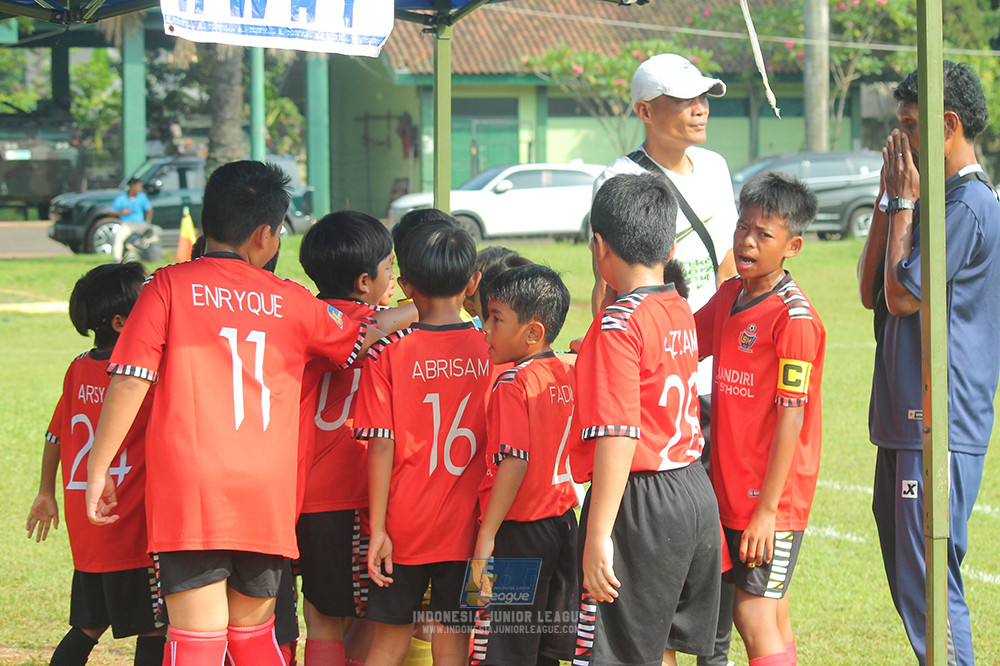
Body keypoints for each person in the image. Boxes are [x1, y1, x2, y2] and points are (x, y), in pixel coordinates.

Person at [84, 160, 382, 665]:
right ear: (266, 235)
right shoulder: (292, 300)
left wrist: (98, 468)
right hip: (266, 493)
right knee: (253, 635)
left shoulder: (168, 286)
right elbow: (356, 337)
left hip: (192, 493)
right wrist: (421, 308)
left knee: (198, 638)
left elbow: (130, 376)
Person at [592, 53, 739, 665]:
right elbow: (606, 282)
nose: (699, 107)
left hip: (708, 370)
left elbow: (729, 267)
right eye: (683, 99)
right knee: (650, 564)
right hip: (652, 372)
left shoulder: (717, 166)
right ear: (645, 111)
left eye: (704, 95)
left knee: (713, 551)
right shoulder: (616, 178)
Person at [857, 61, 1000, 666]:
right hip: (902, 420)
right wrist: (892, 200)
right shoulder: (926, 202)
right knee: (911, 577)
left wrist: (907, 203)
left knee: (930, 587)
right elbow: (870, 289)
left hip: (937, 419)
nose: (899, 139)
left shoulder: (966, 206)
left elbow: (901, 295)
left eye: (910, 126)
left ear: (948, 124)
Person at [571, 172, 721, 666]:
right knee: (657, 648)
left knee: (624, 652)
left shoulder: (615, 324)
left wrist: (597, 534)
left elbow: (617, 434)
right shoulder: (677, 306)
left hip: (641, 501)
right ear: (671, 248)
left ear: (600, 247)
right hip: (694, 492)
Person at [694, 172, 824, 666]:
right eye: (742, 228)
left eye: (763, 234)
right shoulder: (730, 295)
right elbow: (685, 343)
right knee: (772, 611)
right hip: (729, 488)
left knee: (752, 614)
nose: (747, 241)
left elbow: (792, 416)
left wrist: (768, 512)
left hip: (771, 500)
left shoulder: (794, 319)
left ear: (793, 245)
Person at [352, 214, 491, 666]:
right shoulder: (494, 354)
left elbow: (381, 445)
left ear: (406, 285)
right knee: (453, 641)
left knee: (388, 642)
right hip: (471, 530)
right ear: (473, 282)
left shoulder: (388, 353)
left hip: (403, 526)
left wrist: (376, 530)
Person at [26, 262, 166, 666]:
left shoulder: (77, 367)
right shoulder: (141, 374)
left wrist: (45, 491)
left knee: (88, 625)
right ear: (123, 322)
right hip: (126, 523)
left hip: (87, 525)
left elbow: (55, 434)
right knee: (154, 627)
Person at [297, 210, 418, 666]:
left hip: (306, 494)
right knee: (377, 615)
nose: (395, 278)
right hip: (360, 496)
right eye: (390, 268)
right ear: (365, 280)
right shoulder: (393, 334)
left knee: (321, 615)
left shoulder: (304, 322)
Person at [471, 264, 579, 666]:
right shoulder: (566, 372)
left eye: (496, 319)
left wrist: (486, 537)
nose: (485, 329)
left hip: (515, 535)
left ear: (534, 332)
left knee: (497, 648)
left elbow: (513, 460)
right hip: (564, 525)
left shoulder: (511, 383)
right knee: (546, 651)